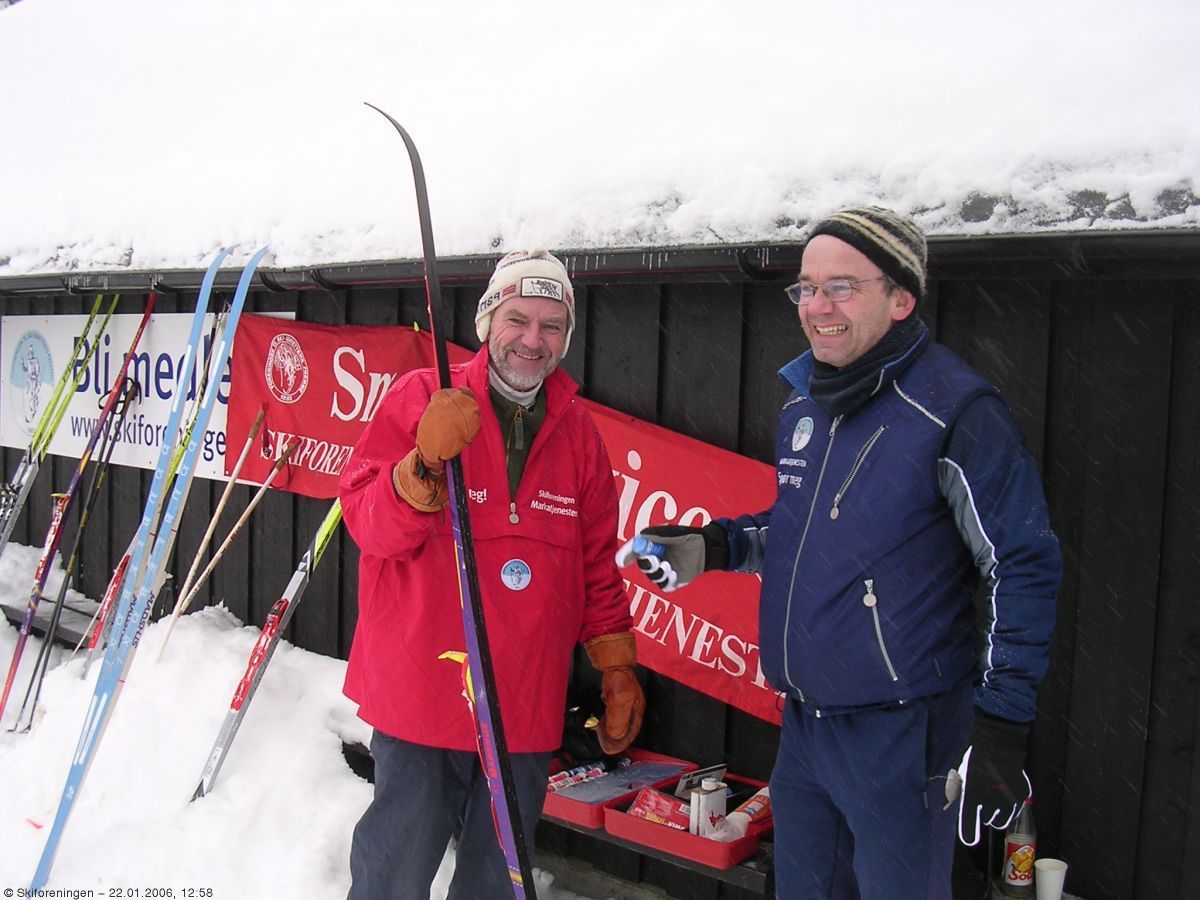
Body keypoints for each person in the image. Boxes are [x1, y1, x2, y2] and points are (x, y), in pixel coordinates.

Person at [618, 207, 1061, 899]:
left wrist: (1002, 723)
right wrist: (713, 545)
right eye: (806, 288)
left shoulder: (957, 412)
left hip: (904, 732)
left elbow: (1022, 562)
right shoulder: (806, 406)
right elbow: (798, 529)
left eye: (842, 287)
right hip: (805, 726)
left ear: (901, 297)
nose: (817, 307)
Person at [341, 248, 644, 900]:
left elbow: (596, 565)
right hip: (424, 695)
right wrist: (420, 465)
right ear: (487, 322)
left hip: (523, 711)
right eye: (518, 319)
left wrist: (617, 665)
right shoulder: (422, 398)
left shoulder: (580, 437)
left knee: (494, 886)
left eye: (552, 325)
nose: (533, 340)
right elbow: (368, 524)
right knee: (392, 877)